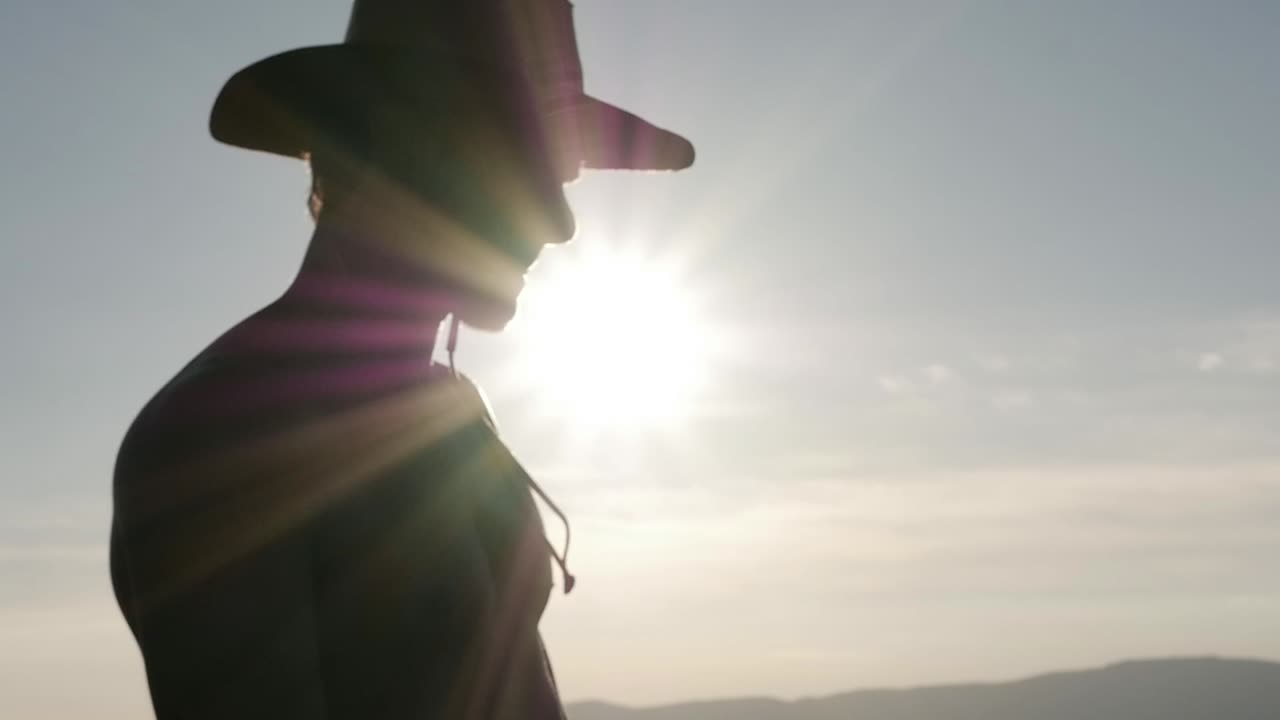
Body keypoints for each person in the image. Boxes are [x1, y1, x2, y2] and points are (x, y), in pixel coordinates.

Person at [108, 1, 694, 718]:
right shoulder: (222, 439)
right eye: (521, 168)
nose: (560, 223)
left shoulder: (448, 407)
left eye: (560, 176)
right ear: (390, 155)